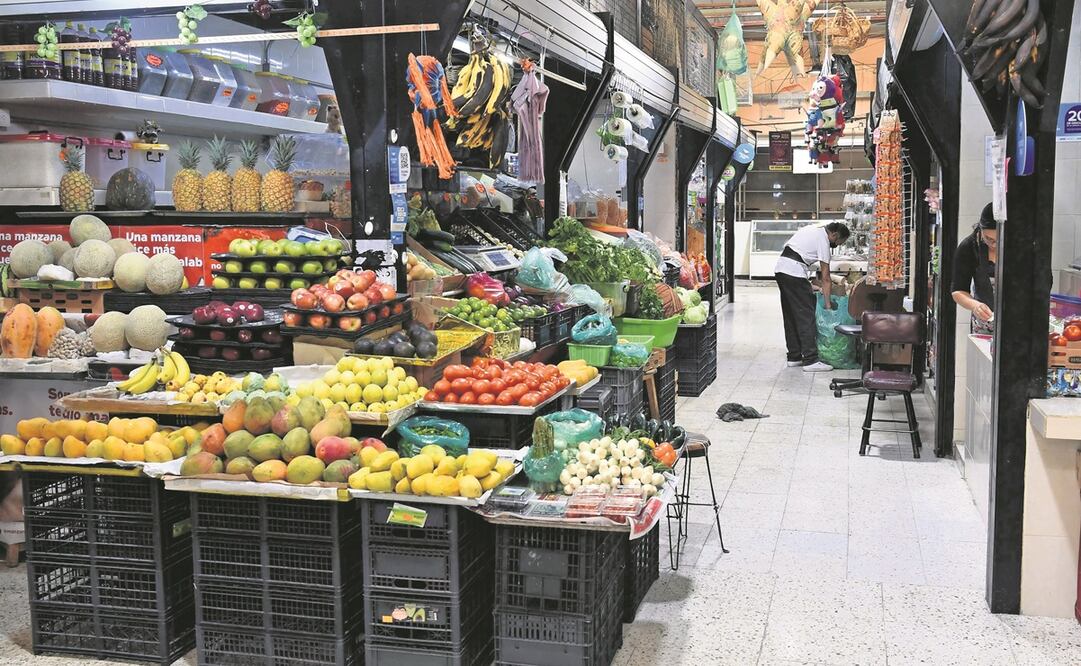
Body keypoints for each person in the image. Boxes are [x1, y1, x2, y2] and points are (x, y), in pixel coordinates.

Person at [774, 221, 850, 372]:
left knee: (790, 315)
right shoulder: (823, 240)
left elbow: (798, 255)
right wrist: (828, 305)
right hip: (794, 271)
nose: (837, 245)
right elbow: (826, 277)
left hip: (782, 270)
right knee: (806, 315)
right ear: (834, 235)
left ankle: (794, 356)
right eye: (839, 242)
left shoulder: (811, 229)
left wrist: (810, 286)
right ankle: (810, 360)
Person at [952, 202, 997, 334]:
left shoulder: (1020, 245)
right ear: (981, 230)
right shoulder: (969, 247)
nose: (994, 245)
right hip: (984, 322)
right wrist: (975, 305)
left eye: (999, 240)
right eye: (989, 239)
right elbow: (958, 290)